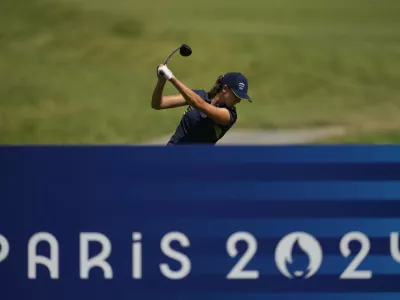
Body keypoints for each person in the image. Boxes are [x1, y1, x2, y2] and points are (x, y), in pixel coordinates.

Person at [151, 64, 252, 145]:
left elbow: (198, 104)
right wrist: (161, 82)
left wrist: (171, 77)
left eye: (240, 98)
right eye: (236, 96)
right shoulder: (198, 95)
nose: (238, 100)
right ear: (225, 89)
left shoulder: (230, 115)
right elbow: (158, 104)